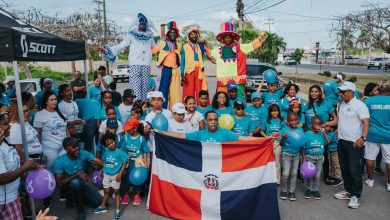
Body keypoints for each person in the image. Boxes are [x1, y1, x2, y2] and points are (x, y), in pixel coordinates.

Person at [100, 13, 157, 101]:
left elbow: (155, 47)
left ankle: (145, 109)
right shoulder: (132, 35)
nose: (143, 26)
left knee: (145, 89)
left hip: (146, 64)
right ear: (138, 24)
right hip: (135, 64)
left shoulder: (150, 36)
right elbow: (121, 45)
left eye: (145, 24)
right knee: (135, 90)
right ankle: (137, 108)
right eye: (141, 24)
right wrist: (108, 50)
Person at [209, 21, 268, 101]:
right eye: (226, 37)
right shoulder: (217, 50)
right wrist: (203, 44)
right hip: (223, 81)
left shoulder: (240, 48)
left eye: (229, 37)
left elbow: (251, 45)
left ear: (232, 38)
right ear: (223, 39)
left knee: (240, 101)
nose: (227, 39)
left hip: (238, 81)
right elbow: (208, 53)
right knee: (222, 101)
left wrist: (260, 38)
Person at [334, 81, 369, 209]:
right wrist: (328, 125)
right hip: (342, 141)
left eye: (343, 92)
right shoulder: (341, 104)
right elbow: (339, 120)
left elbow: (366, 122)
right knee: (344, 168)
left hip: (354, 143)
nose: (340, 94)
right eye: (340, 92)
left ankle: (356, 196)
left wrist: (363, 138)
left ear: (351, 92)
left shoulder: (359, 105)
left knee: (354, 170)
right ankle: (349, 191)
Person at [53, 137, 103, 220]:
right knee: (75, 182)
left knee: (98, 202)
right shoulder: (59, 161)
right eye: (73, 147)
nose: (77, 148)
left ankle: (74, 198)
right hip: (67, 187)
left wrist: (103, 169)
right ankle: (80, 210)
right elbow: (59, 183)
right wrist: (76, 174)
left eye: (77, 146)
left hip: (81, 184)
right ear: (66, 149)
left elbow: (99, 162)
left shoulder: (83, 153)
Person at [0, 121, 40, 220]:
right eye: (5, 124)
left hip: (13, 196)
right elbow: (1, 178)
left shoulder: (5, 141)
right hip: (4, 201)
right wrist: (25, 167)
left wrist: (27, 166)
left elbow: (12, 163)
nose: (9, 126)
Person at [155, 110, 262, 143]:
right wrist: (160, 132)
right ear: (206, 121)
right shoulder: (199, 134)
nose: (213, 122)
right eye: (210, 120)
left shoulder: (225, 132)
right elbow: (179, 136)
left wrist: (265, 140)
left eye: (215, 119)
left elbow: (243, 138)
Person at [93, 133, 129, 219]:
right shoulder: (106, 152)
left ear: (115, 141)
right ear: (106, 145)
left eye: (112, 142)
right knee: (106, 191)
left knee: (116, 193)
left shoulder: (121, 153)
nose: (110, 145)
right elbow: (104, 162)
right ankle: (103, 206)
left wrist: (120, 174)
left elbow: (125, 163)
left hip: (115, 175)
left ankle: (117, 210)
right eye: (108, 144)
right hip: (106, 175)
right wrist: (102, 170)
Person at [363, 80, 390, 191]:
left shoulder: (369, 101)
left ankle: (370, 180)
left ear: (378, 89)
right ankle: (389, 184)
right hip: (388, 136)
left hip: (371, 134)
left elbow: (363, 118)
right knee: (389, 160)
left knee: (370, 158)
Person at [34, 91, 67, 170]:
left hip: (63, 147)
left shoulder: (61, 113)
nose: (54, 101)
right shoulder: (39, 115)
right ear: (46, 102)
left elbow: (66, 129)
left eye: (55, 99)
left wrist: (69, 142)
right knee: (50, 170)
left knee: (62, 169)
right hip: (49, 148)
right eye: (51, 100)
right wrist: (39, 150)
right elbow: (38, 133)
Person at [120, 118, 149, 206]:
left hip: (138, 162)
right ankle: (126, 194)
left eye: (129, 129)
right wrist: (125, 158)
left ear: (135, 128)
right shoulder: (125, 138)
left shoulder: (141, 139)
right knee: (126, 179)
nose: (127, 130)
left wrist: (145, 161)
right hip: (129, 162)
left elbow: (144, 151)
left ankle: (137, 195)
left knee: (138, 178)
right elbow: (122, 150)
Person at [181, 27, 213, 104]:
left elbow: (209, 51)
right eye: (191, 35)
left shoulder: (201, 46)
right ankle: (187, 107)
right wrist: (182, 74)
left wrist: (204, 41)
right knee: (189, 91)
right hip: (189, 71)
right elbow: (182, 61)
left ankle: (202, 107)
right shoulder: (184, 46)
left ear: (197, 36)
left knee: (201, 90)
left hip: (199, 70)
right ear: (189, 37)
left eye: (195, 34)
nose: (193, 36)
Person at [154, 21, 182, 109]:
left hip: (175, 70)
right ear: (168, 34)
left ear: (176, 35)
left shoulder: (179, 45)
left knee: (175, 92)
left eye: (174, 33)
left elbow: (186, 55)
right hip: (165, 69)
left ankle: (175, 110)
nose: (173, 34)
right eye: (171, 33)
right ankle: (163, 110)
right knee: (163, 91)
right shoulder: (162, 43)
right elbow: (153, 51)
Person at [278, 112, 304, 201]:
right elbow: (281, 144)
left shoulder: (300, 130)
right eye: (291, 120)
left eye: (295, 120)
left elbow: (301, 143)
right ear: (287, 121)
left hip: (296, 155)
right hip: (286, 154)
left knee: (294, 174)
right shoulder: (283, 130)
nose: (293, 122)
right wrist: (284, 138)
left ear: (298, 120)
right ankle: (284, 190)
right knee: (285, 174)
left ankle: (292, 191)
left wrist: (302, 157)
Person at [303, 116, 331, 200]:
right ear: (311, 124)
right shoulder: (307, 134)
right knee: (310, 174)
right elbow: (303, 147)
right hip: (310, 156)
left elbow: (328, 142)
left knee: (317, 175)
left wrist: (324, 133)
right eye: (315, 124)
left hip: (319, 157)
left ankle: (316, 190)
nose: (317, 126)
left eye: (319, 124)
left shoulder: (321, 134)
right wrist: (304, 157)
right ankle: (309, 189)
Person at [362, 82, 384, 176]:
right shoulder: (365, 101)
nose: (378, 92)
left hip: (380, 130)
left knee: (379, 151)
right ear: (370, 92)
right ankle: (362, 168)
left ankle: (377, 167)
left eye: (378, 90)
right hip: (368, 131)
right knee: (366, 152)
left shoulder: (380, 100)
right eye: (375, 90)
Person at [260, 104, 283, 184]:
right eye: (273, 111)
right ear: (270, 112)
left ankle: (277, 180)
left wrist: (280, 136)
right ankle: (267, 179)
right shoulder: (266, 120)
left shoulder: (282, 120)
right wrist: (266, 136)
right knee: (268, 162)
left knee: (277, 162)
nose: (275, 112)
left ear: (279, 111)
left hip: (278, 143)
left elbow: (284, 131)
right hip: (268, 143)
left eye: (276, 110)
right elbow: (261, 130)